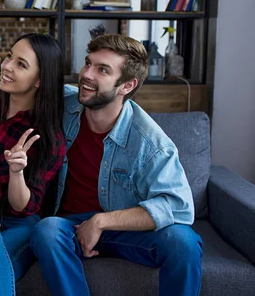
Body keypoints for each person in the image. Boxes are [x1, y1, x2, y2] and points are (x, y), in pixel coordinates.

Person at [30, 34, 203, 296]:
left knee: (184, 242)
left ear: (126, 85)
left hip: (123, 230)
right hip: (69, 228)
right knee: (47, 229)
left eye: (102, 70)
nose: (86, 74)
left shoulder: (151, 143)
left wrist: (101, 222)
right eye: (88, 63)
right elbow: (25, 88)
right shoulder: (64, 105)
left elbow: (178, 205)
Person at [0, 33, 66, 295]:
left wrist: (17, 172)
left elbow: (23, 207)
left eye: (21, 64)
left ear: (40, 80)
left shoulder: (49, 138)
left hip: (19, 225)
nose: (6, 66)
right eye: (9, 57)